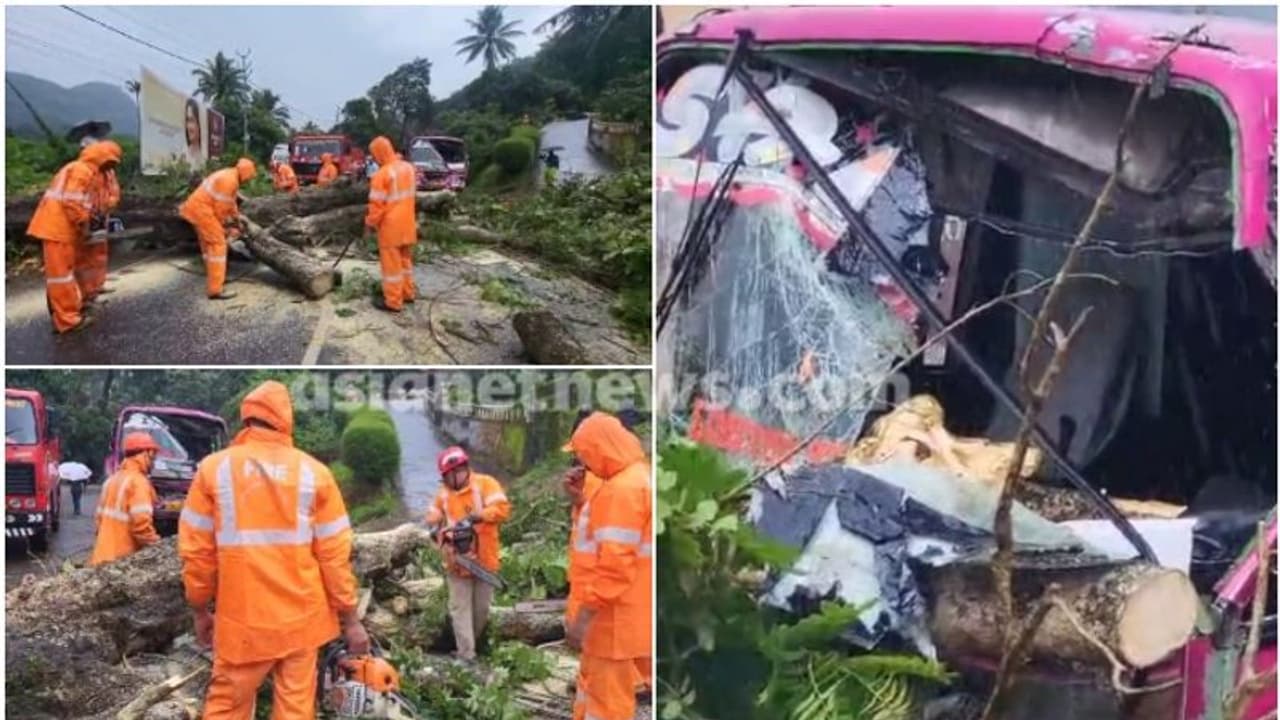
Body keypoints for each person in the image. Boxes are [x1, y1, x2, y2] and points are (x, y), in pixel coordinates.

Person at [179, 380, 368, 719]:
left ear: (247, 417)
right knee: (295, 710)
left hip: (243, 622)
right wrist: (350, 617)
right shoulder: (315, 473)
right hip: (302, 621)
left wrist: (199, 608)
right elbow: (334, 557)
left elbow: (197, 554)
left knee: (226, 708)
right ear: (285, 419)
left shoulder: (214, 469)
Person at [564, 412, 653, 720]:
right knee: (594, 690)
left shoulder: (621, 491)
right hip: (624, 615)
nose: (583, 463)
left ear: (597, 448)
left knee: (607, 705)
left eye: (583, 454)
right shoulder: (637, 478)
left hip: (611, 621)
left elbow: (613, 568)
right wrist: (580, 502)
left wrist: (583, 618)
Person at [26, 140, 123, 333]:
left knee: (68, 273)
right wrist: (84, 223)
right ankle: (67, 320)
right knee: (61, 277)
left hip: (65, 229)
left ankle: (72, 310)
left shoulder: (91, 171)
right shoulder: (81, 170)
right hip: (57, 228)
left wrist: (90, 220)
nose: (111, 167)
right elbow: (72, 201)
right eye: (110, 162)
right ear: (101, 157)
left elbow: (88, 202)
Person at [425, 446, 511, 661]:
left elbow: (502, 509)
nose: (449, 480)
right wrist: (436, 529)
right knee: (459, 609)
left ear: (462, 469)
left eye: (452, 474)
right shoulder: (443, 494)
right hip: (456, 560)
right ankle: (466, 655)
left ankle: (474, 644)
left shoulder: (485, 484)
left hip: (485, 558)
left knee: (481, 609)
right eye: (446, 476)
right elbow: (433, 514)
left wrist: (477, 517)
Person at [180, 158, 256, 300]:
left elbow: (230, 202)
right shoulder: (230, 181)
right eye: (249, 177)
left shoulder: (230, 175)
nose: (248, 180)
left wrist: (236, 217)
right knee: (218, 244)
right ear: (246, 173)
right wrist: (227, 228)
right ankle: (215, 290)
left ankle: (215, 278)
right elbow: (221, 210)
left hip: (196, 208)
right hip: (203, 211)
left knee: (208, 246)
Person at [364, 136, 418, 313]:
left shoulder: (381, 175)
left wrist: (369, 224)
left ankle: (393, 301)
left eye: (374, 155)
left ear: (379, 153)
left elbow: (376, 207)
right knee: (405, 262)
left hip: (390, 227)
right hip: (408, 223)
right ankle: (408, 293)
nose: (374, 158)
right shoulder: (408, 168)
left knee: (392, 266)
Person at [89, 432, 161, 565]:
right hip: (122, 560)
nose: (154, 462)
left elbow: (98, 522)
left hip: (101, 559)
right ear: (146, 454)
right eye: (153, 457)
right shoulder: (138, 483)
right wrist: (160, 546)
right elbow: (141, 527)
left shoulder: (111, 480)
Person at [79, 134, 121, 301]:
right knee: (85, 254)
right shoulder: (84, 170)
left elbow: (114, 190)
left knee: (100, 252)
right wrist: (88, 216)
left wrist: (110, 203)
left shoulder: (108, 171)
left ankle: (98, 285)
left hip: (102, 214)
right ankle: (87, 290)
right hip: (88, 216)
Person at [184, 98, 203, 168]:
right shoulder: (184, 156)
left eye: (192, 120)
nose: (188, 127)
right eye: (187, 120)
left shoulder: (204, 156)